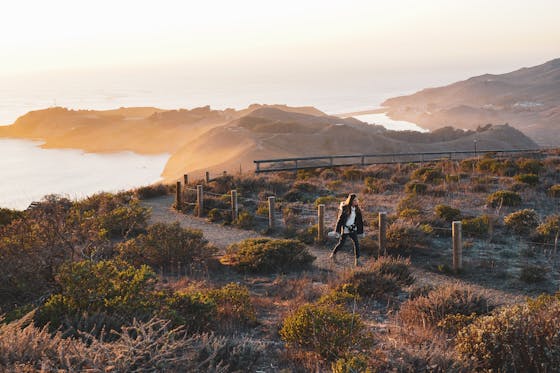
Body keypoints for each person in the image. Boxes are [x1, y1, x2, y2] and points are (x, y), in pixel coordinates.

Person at [330, 193, 364, 266]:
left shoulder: (357, 209)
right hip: (345, 229)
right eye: (354, 200)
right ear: (351, 201)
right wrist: (337, 231)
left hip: (352, 229)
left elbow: (360, 221)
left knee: (356, 244)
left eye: (357, 200)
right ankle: (333, 254)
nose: (356, 201)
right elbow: (340, 220)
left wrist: (360, 231)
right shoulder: (345, 208)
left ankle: (357, 260)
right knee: (341, 243)